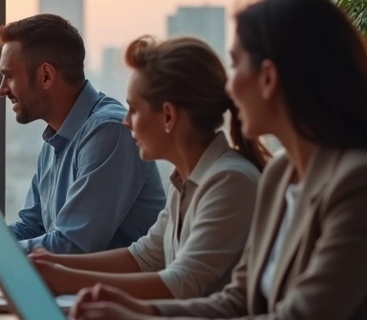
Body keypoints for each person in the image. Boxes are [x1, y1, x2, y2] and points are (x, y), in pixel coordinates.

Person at [70, 0, 367, 320]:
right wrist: (141, 311)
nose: (228, 86)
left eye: (236, 64)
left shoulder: (364, 184)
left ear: (268, 78)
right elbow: (238, 302)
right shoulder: (282, 176)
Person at [0, 14, 165, 266]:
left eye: (9, 76)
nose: (2, 90)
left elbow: (72, 245)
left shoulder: (109, 131)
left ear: (46, 76)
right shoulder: (58, 136)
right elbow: (31, 229)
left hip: (115, 304)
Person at [27, 36, 268, 298]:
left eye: (134, 110)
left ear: (167, 116)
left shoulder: (230, 181)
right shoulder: (184, 182)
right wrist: (42, 265)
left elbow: (180, 283)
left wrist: (67, 279)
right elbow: (144, 257)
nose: (127, 122)